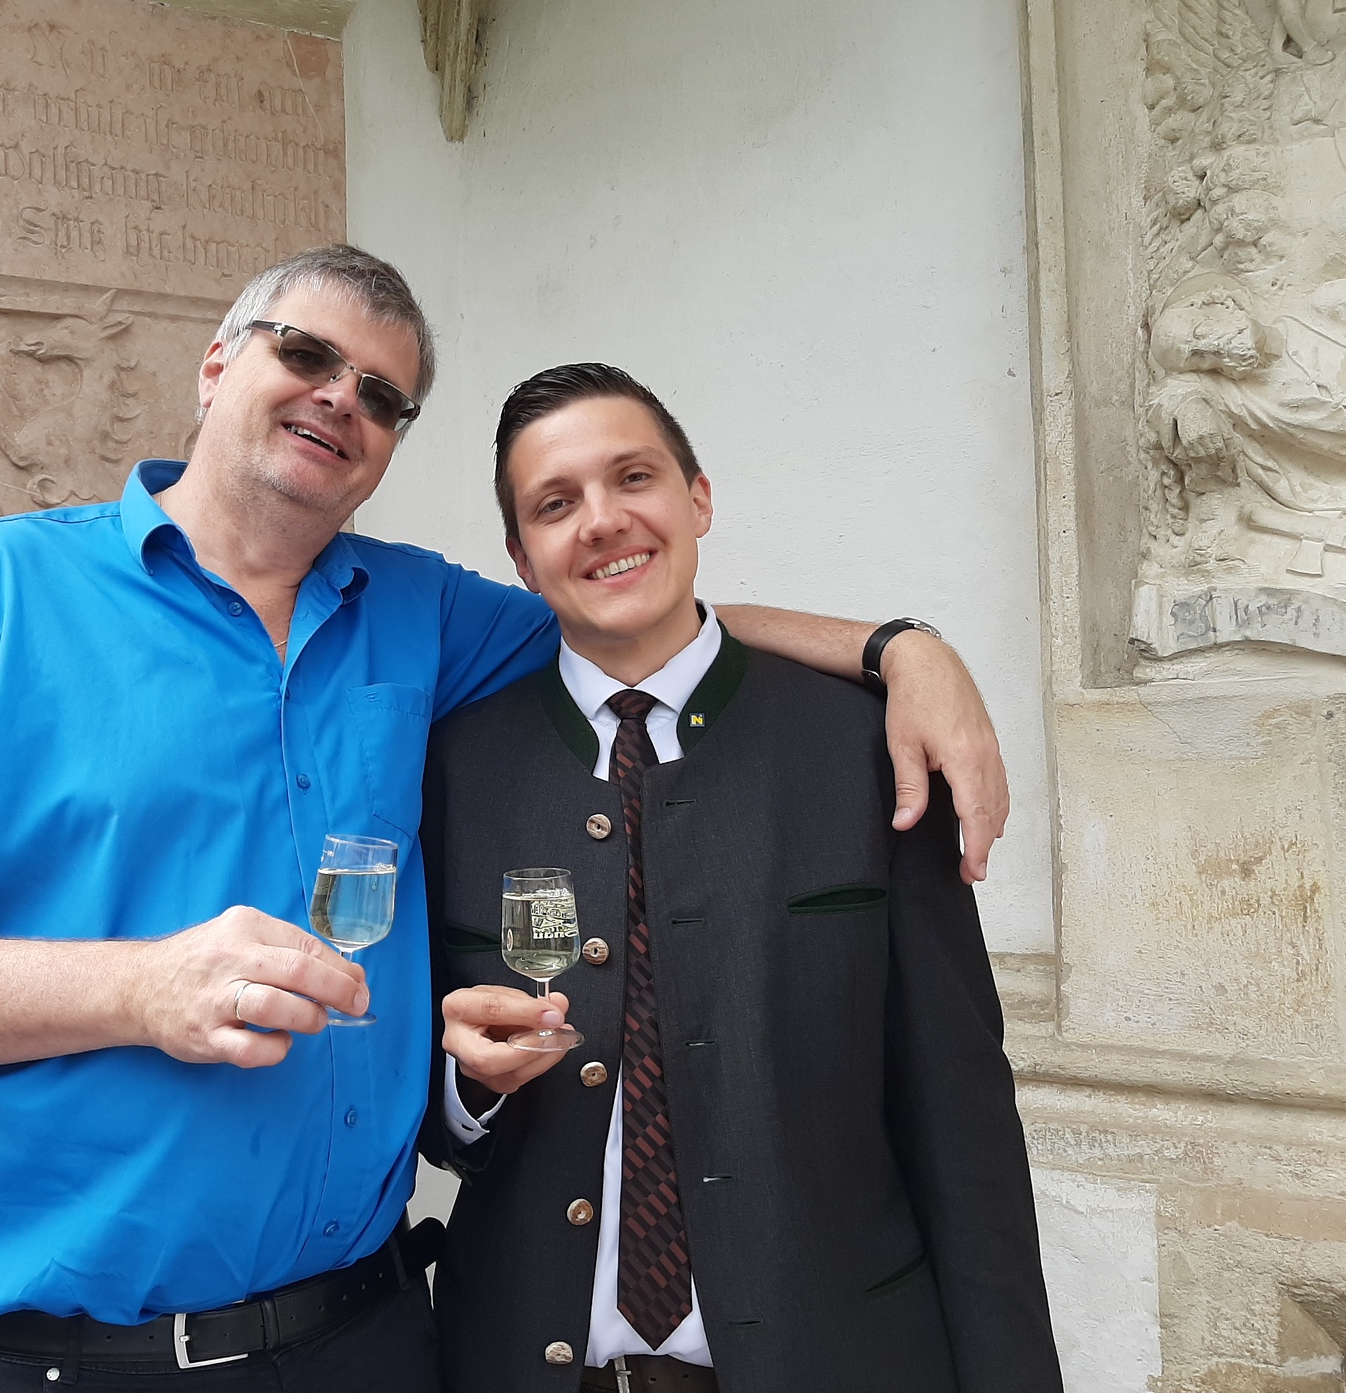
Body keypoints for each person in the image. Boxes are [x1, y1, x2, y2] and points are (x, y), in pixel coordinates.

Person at [0, 246, 1010, 1393]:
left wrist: (902, 648)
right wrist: (138, 989)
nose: (339, 398)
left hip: (364, 1342)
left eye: (382, 394)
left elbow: (635, 611)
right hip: (65, 1362)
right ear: (217, 366)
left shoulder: (421, 614)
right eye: (305, 354)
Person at [423, 363, 1060, 1393]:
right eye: (555, 503)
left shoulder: (867, 749)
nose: (602, 520)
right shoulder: (454, 769)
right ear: (521, 558)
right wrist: (464, 1091)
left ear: (698, 498)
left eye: (634, 477)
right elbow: (417, 1108)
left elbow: (964, 1129)